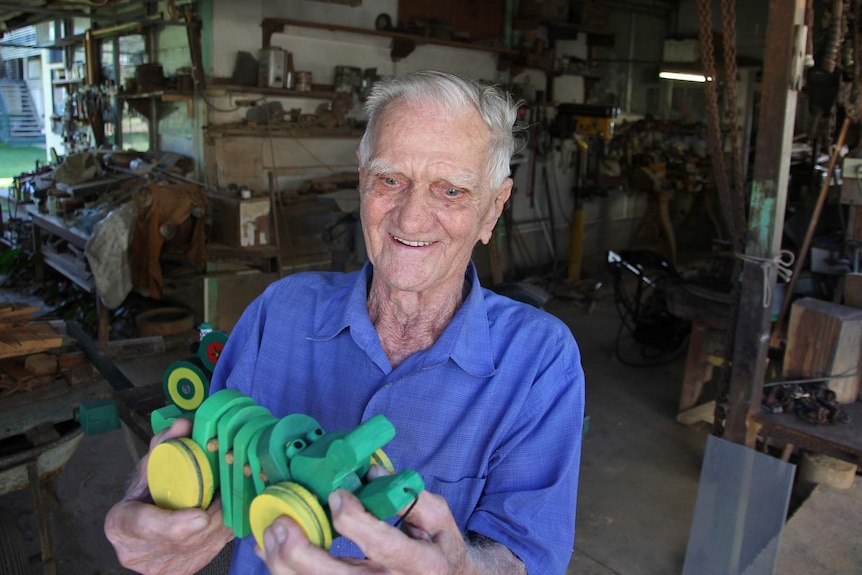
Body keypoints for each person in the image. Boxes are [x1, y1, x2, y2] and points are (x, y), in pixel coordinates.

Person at [105, 70, 585, 575]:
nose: (410, 218)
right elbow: (213, 451)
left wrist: (464, 568)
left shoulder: (541, 360)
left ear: (493, 208)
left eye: (450, 191)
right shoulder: (280, 310)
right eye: (390, 180)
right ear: (362, 178)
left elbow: (525, 556)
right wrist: (154, 500)